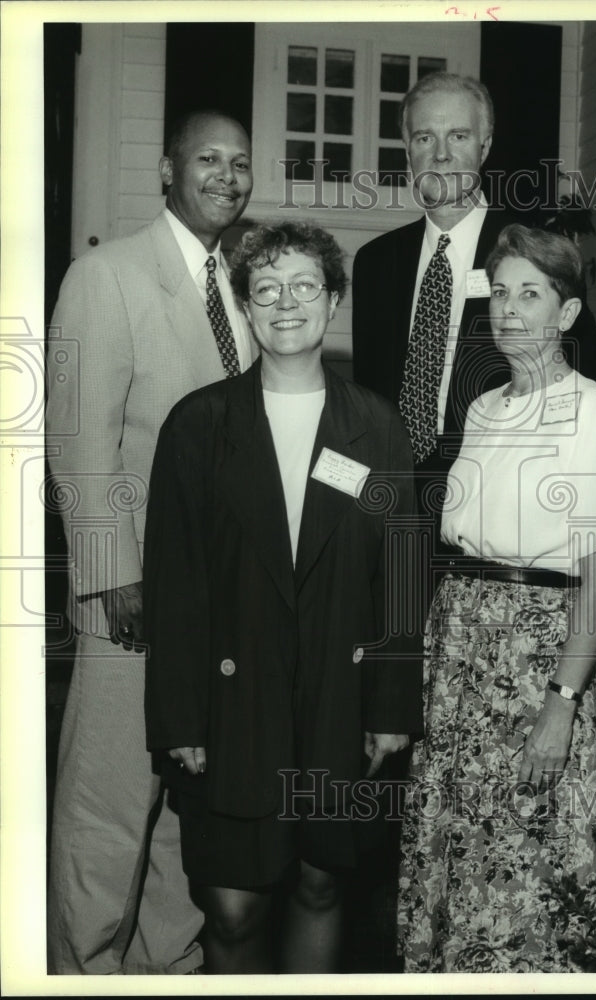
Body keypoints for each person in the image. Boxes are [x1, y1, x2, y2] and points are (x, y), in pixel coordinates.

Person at [143, 221, 422, 974]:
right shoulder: (198, 426)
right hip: (231, 706)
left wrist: (393, 707)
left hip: (342, 697)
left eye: (305, 285)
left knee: (322, 884)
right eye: (266, 289)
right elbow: (173, 587)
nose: (286, 302)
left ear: (333, 301)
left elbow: (401, 576)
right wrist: (178, 719)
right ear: (246, 309)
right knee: (232, 909)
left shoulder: (377, 428)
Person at [45, 109, 256, 974]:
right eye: (208, 158)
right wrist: (109, 574)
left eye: (241, 163)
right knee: (108, 808)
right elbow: (78, 435)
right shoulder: (107, 274)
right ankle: (80, 968)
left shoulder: (241, 288)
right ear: (167, 171)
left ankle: (166, 970)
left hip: (211, 606)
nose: (227, 176)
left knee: (181, 809)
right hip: (130, 603)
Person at [396, 224, 596, 972]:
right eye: (500, 292)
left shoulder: (593, 412)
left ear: (565, 315)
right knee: (453, 856)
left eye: (530, 293)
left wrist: (561, 706)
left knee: (525, 876)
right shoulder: (484, 410)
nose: (509, 309)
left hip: (537, 667)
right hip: (463, 652)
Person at [351, 72, 596, 538]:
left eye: (459, 136)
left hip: (499, 511)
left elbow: (589, 377)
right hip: (392, 509)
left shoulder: (535, 251)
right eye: (425, 136)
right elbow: (367, 394)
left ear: (484, 147)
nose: (441, 154)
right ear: (407, 148)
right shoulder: (375, 263)